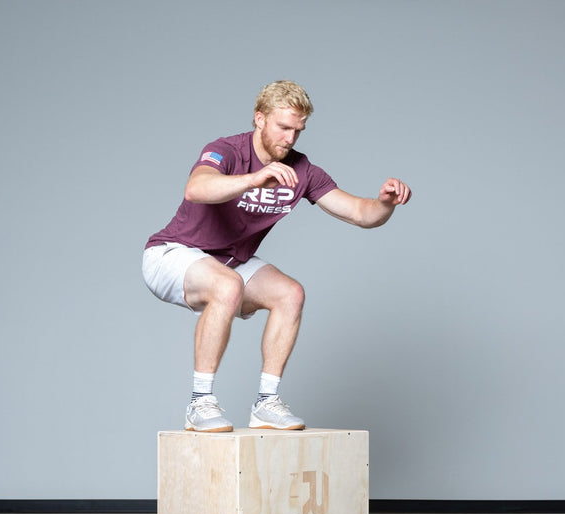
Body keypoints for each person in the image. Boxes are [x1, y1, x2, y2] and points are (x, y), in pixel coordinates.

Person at [142, 80, 412, 432]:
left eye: (297, 131)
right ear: (260, 119)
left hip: (229, 260)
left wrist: (385, 204)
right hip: (172, 253)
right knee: (227, 285)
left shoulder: (302, 171)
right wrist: (254, 179)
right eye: (283, 128)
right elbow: (196, 188)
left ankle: (266, 403)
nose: (290, 139)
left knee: (290, 293)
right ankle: (200, 402)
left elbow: (361, 214)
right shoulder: (226, 151)